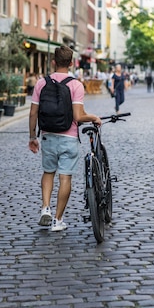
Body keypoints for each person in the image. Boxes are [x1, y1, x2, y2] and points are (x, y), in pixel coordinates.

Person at [28, 45, 102, 232]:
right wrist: (93, 117)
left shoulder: (41, 83)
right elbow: (78, 116)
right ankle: (58, 220)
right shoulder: (75, 84)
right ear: (71, 63)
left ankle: (45, 208)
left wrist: (32, 136)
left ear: (53, 62)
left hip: (47, 136)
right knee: (65, 178)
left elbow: (33, 113)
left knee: (48, 172)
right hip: (68, 138)